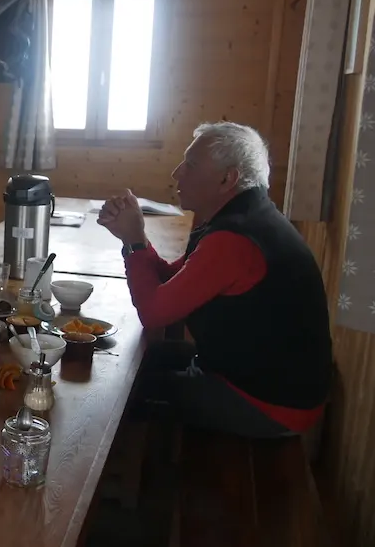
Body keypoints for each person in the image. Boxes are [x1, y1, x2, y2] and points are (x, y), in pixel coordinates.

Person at [97, 122, 332, 438]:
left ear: (227, 178)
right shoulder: (244, 218)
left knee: (116, 391)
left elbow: (154, 312)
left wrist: (135, 240)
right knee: (116, 354)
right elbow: (176, 280)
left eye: (190, 165)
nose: (177, 173)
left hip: (269, 405)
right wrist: (132, 239)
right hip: (254, 378)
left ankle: (140, 481)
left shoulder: (236, 239)